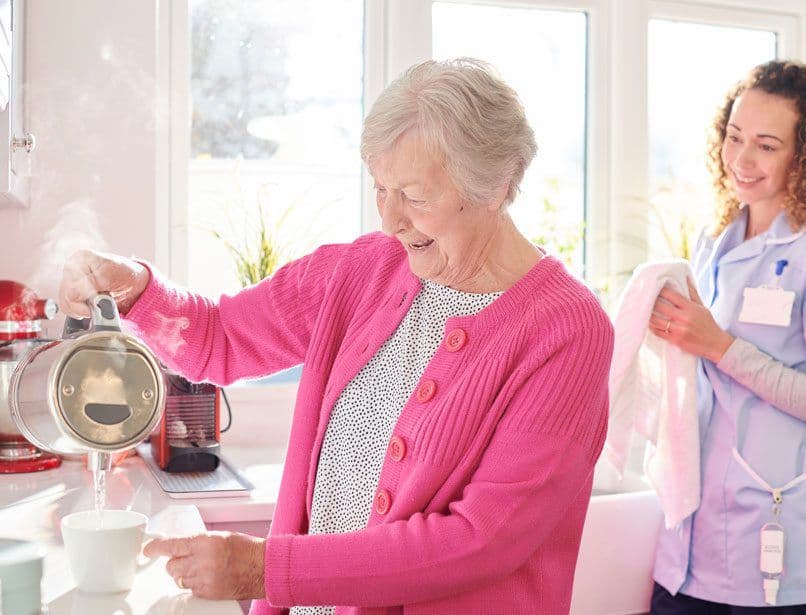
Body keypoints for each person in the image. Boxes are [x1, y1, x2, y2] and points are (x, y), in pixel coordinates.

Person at [59, 58, 614, 615]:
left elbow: (482, 539)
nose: (391, 220)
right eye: (381, 189)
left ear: (494, 186)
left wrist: (263, 569)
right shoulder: (361, 271)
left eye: (415, 197)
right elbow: (220, 338)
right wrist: (133, 287)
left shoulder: (567, 330)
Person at [647, 60, 806, 614]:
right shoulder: (713, 242)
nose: (741, 160)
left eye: (767, 145)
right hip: (691, 545)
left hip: (777, 539)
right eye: (734, 136)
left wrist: (719, 345)